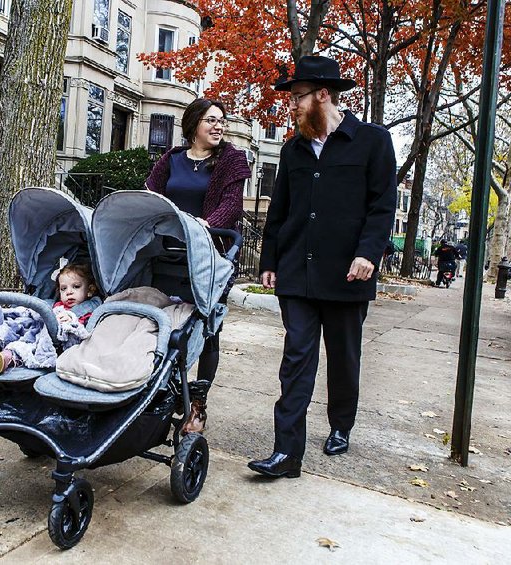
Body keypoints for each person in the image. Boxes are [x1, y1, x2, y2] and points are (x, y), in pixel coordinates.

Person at [248, 55, 397, 479]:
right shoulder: (293, 149)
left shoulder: (371, 140)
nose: (291, 106)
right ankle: (286, 453)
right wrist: (270, 261)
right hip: (297, 271)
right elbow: (279, 210)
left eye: (297, 98)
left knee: (344, 357)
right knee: (296, 358)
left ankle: (340, 424)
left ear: (323, 95)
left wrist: (369, 253)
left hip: (349, 273)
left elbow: (382, 206)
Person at [145, 97, 251, 434]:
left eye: (222, 121)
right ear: (193, 126)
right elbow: (151, 195)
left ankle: (198, 405)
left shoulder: (232, 160)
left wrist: (204, 227)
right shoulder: (172, 159)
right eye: (211, 120)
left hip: (210, 256)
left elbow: (232, 205)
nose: (218, 126)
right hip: (168, 255)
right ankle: (157, 387)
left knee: (207, 331)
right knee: (161, 323)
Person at [0, 263, 102, 374]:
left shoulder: (88, 308)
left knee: (24, 345)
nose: (69, 292)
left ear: (89, 290)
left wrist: (71, 319)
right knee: (14, 327)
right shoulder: (54, 304)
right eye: (63, 288)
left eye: (76, 287)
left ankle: (7, 358)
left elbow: (82, 330)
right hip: (34, 330)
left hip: (52, 344)